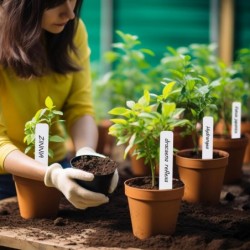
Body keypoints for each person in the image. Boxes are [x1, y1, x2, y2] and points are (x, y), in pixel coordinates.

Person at [0, 0, 118, 209]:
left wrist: (87, 155)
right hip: (5, 177)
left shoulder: (73, 31)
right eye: (56, 2)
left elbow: (79, 107)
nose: (70, 14)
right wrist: (50, 175)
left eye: (73, 0)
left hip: (58, 166)